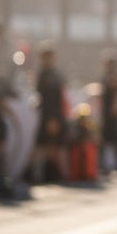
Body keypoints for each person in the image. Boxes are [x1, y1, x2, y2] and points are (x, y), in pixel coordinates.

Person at [29, 46, 68, 184]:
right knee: (43, 145)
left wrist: (54, 117)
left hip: (53, 115)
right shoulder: (47, 74)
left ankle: (59, 174)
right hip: (49, 115)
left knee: (54, 145)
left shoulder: (53, 74)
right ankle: (36, 173)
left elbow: (57, 97)